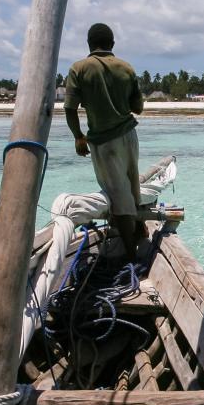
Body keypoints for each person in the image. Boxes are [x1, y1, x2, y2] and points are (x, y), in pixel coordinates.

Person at [63, 22, 145, 257]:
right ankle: (140, 227)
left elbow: (70, 108)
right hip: (129, 135)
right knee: (132, 183)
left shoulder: (78, 68)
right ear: (112, 44)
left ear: (89, 44)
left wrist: (78, 136)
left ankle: (129, 252)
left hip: (103, 140)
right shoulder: (126, 67)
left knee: (117, 192)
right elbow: (137, 107)